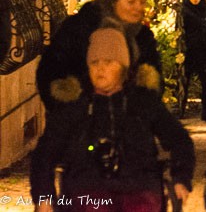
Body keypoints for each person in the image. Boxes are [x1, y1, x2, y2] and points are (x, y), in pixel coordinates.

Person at [30, 27, 193, 212]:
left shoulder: (142, 103)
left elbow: (180, 140)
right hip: (87, 192)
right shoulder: (76, 106)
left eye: (108, 62)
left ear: (123, 67)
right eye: (95, 62)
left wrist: (181, 178)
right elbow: (44, 155)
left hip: (139, 191)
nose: (100, 68)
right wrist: (44, 198)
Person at [37, 0, 161, 110]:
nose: (138, 7)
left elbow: (155, 79)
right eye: (131, 2)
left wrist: (144, 110)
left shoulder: (143, 37)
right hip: (81, 119)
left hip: (127, 120)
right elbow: (50, 70)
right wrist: (69, 109)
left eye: (142, 2)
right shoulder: (79, 28)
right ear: (113, 1)